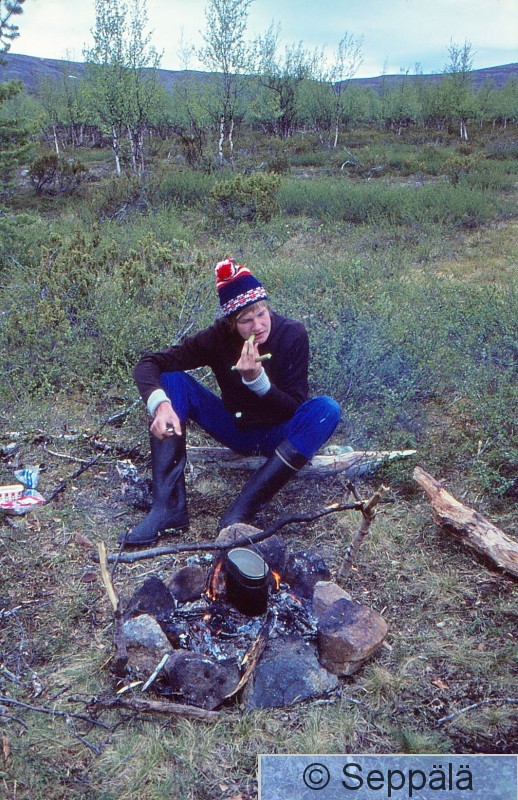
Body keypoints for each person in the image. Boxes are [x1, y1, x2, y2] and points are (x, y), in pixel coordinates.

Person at [119, 258, 341, 546]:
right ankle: (169, 509)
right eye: (246, 320)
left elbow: (294, 407)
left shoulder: (292, 334)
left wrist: (258, 382)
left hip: (279, 433)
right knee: (172, 378)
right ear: (231, 323)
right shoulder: (218, 339)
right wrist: (160, 405)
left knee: (326, 409)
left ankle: (241, 510)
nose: (258, 326)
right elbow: (149, 363)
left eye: (261, 313)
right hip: (235, 428)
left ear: (267, 307)